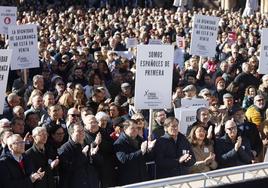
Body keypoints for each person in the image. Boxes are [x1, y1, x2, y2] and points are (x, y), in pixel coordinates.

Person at [113, 119, 155, 185]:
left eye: (137, 128)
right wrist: (141, 151)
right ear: (125, 129)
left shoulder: (140, 140)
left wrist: (149, 149)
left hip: (142, 177)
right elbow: (123, 159)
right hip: (129, 179)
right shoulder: (119, 143)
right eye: (132, 128)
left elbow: (147, 158)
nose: (135, 130)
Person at [57, 123, 99, 188]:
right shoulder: (65, 149)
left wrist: (93, 155)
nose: (82, 133)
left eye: (83, 131)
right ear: (71, 133)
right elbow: (67, 168)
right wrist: (83, 155)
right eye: (78, 131)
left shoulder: (86, 145)